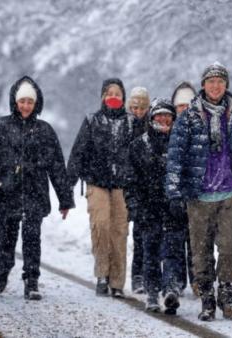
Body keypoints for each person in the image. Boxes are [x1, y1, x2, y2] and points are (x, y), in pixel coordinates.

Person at [165, 62, 232, 321]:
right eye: (211, 81)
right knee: (201, 250)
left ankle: (226, 292)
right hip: (198, 194)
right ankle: (207, 298)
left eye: (220, 81)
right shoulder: (189, 116)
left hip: (230, 192)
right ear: (203, 85)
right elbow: (176, 155)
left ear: (226, 85)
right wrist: (174, 187)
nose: (215, 86)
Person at [0, 76, 75, 301]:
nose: (26, 106)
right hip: (6, 191)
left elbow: (57, 166)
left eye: (30, 101)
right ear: (15, 102)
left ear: (36, 103)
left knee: (32, 237)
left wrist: (65, 199)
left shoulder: (45, 131)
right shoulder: (0, 127)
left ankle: (31, 281)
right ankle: (5, 267)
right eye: (22, 101)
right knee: (6, 237)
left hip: (35, 192)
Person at [67, 78, 133, 298]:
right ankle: (102, 274)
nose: (113, 96)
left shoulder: (132, 123)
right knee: (101, 226)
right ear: (103, 97)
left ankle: (117, 282)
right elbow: (78, 153)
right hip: (97, 183)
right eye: (109, 93)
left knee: (119, 232)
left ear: (123, 97)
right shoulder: (92, 121)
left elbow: (140, 155)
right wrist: (69, 185)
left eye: (117, 93)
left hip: (122, 185)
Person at [128, 98, 183, 314]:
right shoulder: (138, 145)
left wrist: (182, 200)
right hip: (147, 207)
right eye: (159, 115)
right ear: (151, 119)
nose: (163, 119)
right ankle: (152, 293)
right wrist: (134, 205)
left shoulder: (180, 144)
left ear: (173, 119)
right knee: (150, 251)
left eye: (167, 115)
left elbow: (188, 175)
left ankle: (170, 290)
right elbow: (130, 179)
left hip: (174, 206)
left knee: (172, 250)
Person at [170, 81, 200, 297]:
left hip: (197, 192)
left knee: (198, 239)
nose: (184, 108)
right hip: (173, 193)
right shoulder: (165, 127)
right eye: (180, 105)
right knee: (175, 239)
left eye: (188, 104)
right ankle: (177, 281)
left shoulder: (202, 128)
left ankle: (198, 280)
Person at [126, 86, 150, 294]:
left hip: (147, 185)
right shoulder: (123, 125)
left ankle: (143, 275)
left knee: (144, 233)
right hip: (128, 183)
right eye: (134, 107)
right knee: (137, 234)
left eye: (142, 107)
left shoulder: (152, 125)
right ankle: (136, 275)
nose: (138, 111)